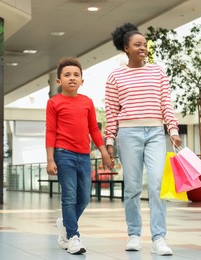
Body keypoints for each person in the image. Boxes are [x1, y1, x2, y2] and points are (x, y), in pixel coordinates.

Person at [105, 23, 182, 256]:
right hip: (128, 134)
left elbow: (165, 104)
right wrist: (109, 140)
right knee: (132, 187)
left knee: (157, 184)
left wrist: (174, 130)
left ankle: (159, 238)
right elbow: (111, 111)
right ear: (126, 49)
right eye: (137, 44)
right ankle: (134, 234)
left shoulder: (158, 72)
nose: (143, 48)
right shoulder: (115, 76)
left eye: (145, 45)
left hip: (156, 133)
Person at [45, 57, 114, 255]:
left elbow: (94, 128)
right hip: (63, 154)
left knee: (84, 198)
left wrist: (103, 152)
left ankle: (65, 224)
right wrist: (50, 159)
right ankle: (73, 237)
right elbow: (50, 131)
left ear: (82, 81)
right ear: (59, 81)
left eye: (76, 75)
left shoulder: (87, 102)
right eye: (67, 75)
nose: (72, 78)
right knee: (69, 197)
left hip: (84, 156)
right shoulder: (54, 103)